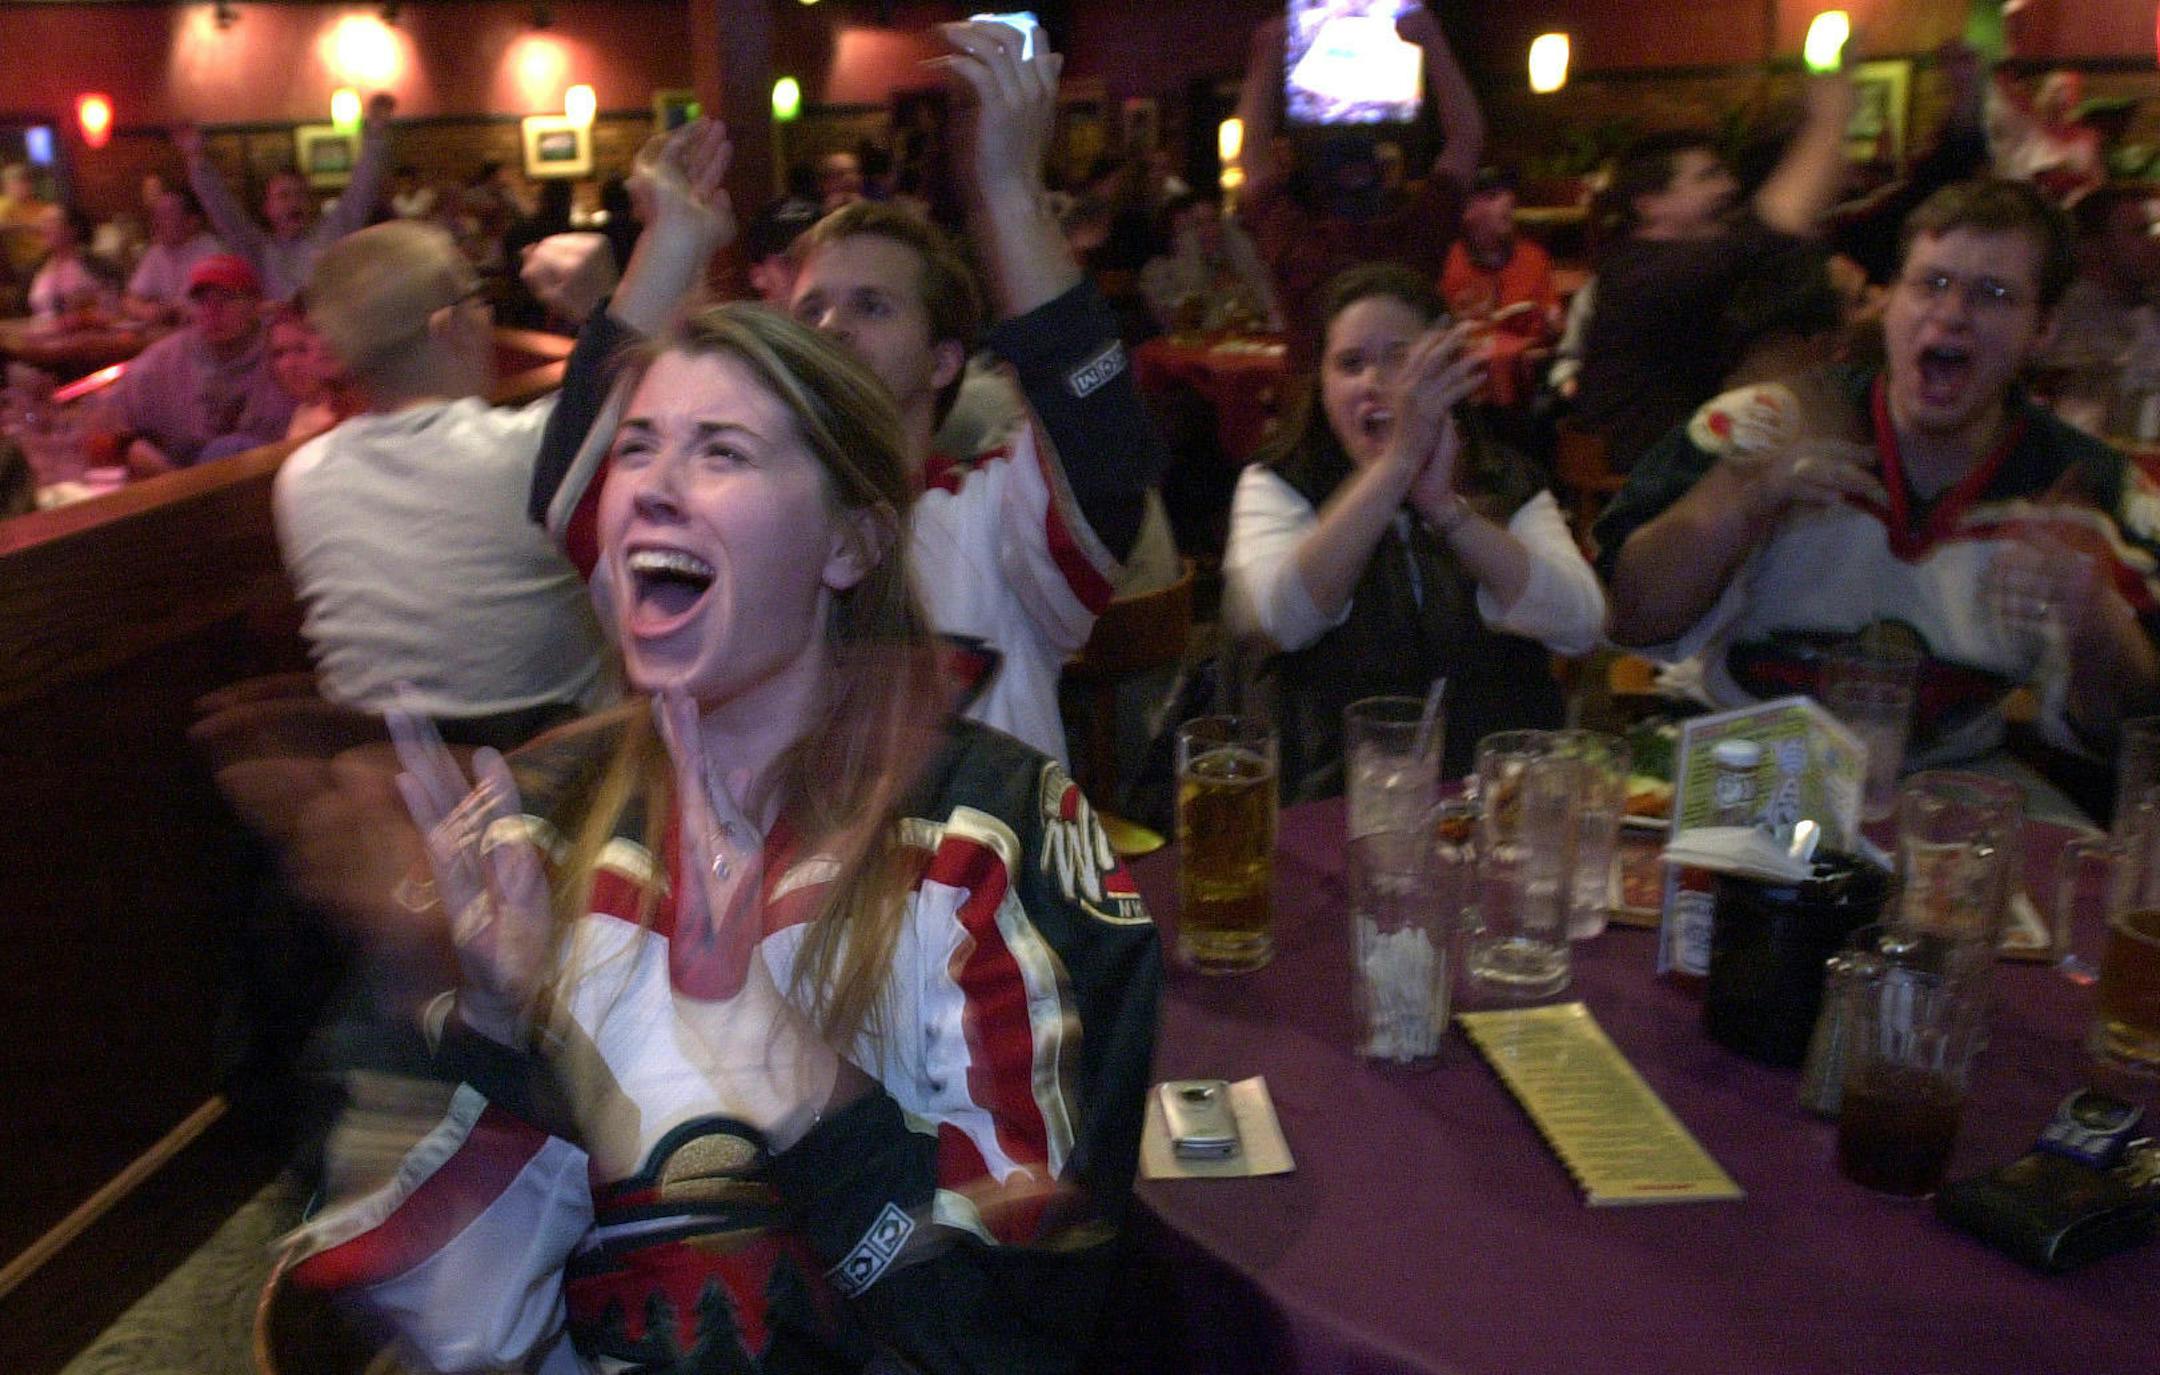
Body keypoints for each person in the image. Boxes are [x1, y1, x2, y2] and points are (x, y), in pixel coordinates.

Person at [284, 300, 1161, 1374]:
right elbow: (453, 1329)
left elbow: (1016, 1338)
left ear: (851, 539)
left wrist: (785, 1069)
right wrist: (498, 1036)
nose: (650, 484)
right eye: (637, 447)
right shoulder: (534, 824)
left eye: (722, 452)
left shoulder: (998, 837)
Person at [525, 22, 1167, 767]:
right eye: (811, 310)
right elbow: (572, 493)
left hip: (970, 877)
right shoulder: (731, 512)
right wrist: (671, 241)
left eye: (872, 306)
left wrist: (1008, 189)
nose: (830, 326)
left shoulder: (991, 517)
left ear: (942, 360)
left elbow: (1106, 448)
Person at [1596, 179, 2160, 766]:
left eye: (1992, 294)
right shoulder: (1763, 423)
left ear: (2042, 330)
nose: (1952, 314)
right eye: (1931, 284)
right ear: (1890, 301)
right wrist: (1742, 498)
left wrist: (2096, 619)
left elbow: (2135, 738)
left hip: (1945, 798)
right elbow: (1628, 617)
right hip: (1743, 769)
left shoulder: (2092, 490)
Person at [1224, 264, 1606, 793]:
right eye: (1351, 364)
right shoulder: (1277, 483)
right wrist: (1396, 465)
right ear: (1322, 385)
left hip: (1494, 798)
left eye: (1399, 358)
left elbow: (1581, 623)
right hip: (1330, 802)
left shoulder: (1503, 476)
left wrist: (1448, 513)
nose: (1376, 385)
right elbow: (1283, 619)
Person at [274, 221, 607, 734]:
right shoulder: (531, 447)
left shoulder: (299, 478)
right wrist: (603, 299)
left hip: (390, 778)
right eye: (478, 297)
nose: (488, 314)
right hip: (568, 773)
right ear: (449, 326)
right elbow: (678, 382)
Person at [1572, 57, 1855, 473]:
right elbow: (1775, 226)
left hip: (1687, 449)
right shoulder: (1644, 272)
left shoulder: (1685, 263)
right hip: (1642, 471)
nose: (1729, 187)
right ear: (1650, 206)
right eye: (1707, 177)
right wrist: (1830, 118)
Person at [1233, 3, 1485, 373]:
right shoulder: (1414, 238)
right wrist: (1432, 40)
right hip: (1407, 408)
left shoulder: (1299, 243)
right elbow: (1467, 138)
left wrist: (1266, 59)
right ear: (1385, 174)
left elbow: (1251, 153)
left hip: (1314, 416)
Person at [177, 94, 394, 301]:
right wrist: (196, 159)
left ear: (310, 204)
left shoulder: (332, 233)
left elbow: (361, 190)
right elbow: (223, 212)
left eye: (300, 195)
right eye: (283, 196)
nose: (293, 202)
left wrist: (376, 134)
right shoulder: (259, 250)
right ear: (267, 208)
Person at [103, 253, 293, 473]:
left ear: (256, 304)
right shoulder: (159, 363)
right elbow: (115, 433)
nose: (213, 311)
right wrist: (172, 480)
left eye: (228, 297)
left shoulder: (286, 353)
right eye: (202, 300)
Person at [2037, 186, 2160, 434]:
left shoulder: (2147, 309)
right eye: (2140, 232)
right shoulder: (2063, 319)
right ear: (2092, 247)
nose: (2155, 244)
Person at [1138, 188, 1284, 334]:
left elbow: (1267, 308)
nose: (1208, 232)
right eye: (1196, 225)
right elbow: (1178, 326)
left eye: (1212, 221)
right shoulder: (1157, 274)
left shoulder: (1235, 257)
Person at [1440, 165, 1559, 342]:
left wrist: (1552, 322)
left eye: (1509, 194)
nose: (1507, 201)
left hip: (1527, 363)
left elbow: (1552, 321)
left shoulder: (1534, 258)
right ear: (1467, 211)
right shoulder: (1447, 261)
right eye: (1493, 196)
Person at [124, 187, 225, 324]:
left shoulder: (213, 253)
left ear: (192, 222)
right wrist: (146, 310)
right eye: (156, 215)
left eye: (166, 215)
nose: (156, 223)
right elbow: (130, 299)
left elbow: (217, 307)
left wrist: (174, 311)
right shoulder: (156, 253)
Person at [265, 304, 358, 441]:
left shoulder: (367, 407)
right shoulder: (300, 413)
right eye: (279, 354)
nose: (289, 365)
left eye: (300, 349)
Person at [24, 205, 106, 320]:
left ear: (72, 229)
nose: (42, 228)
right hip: (44, 334)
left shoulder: (96, 265)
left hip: (85, 333)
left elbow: (111, 304)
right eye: (42, 222)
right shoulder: (36, 267)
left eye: (51, 222)